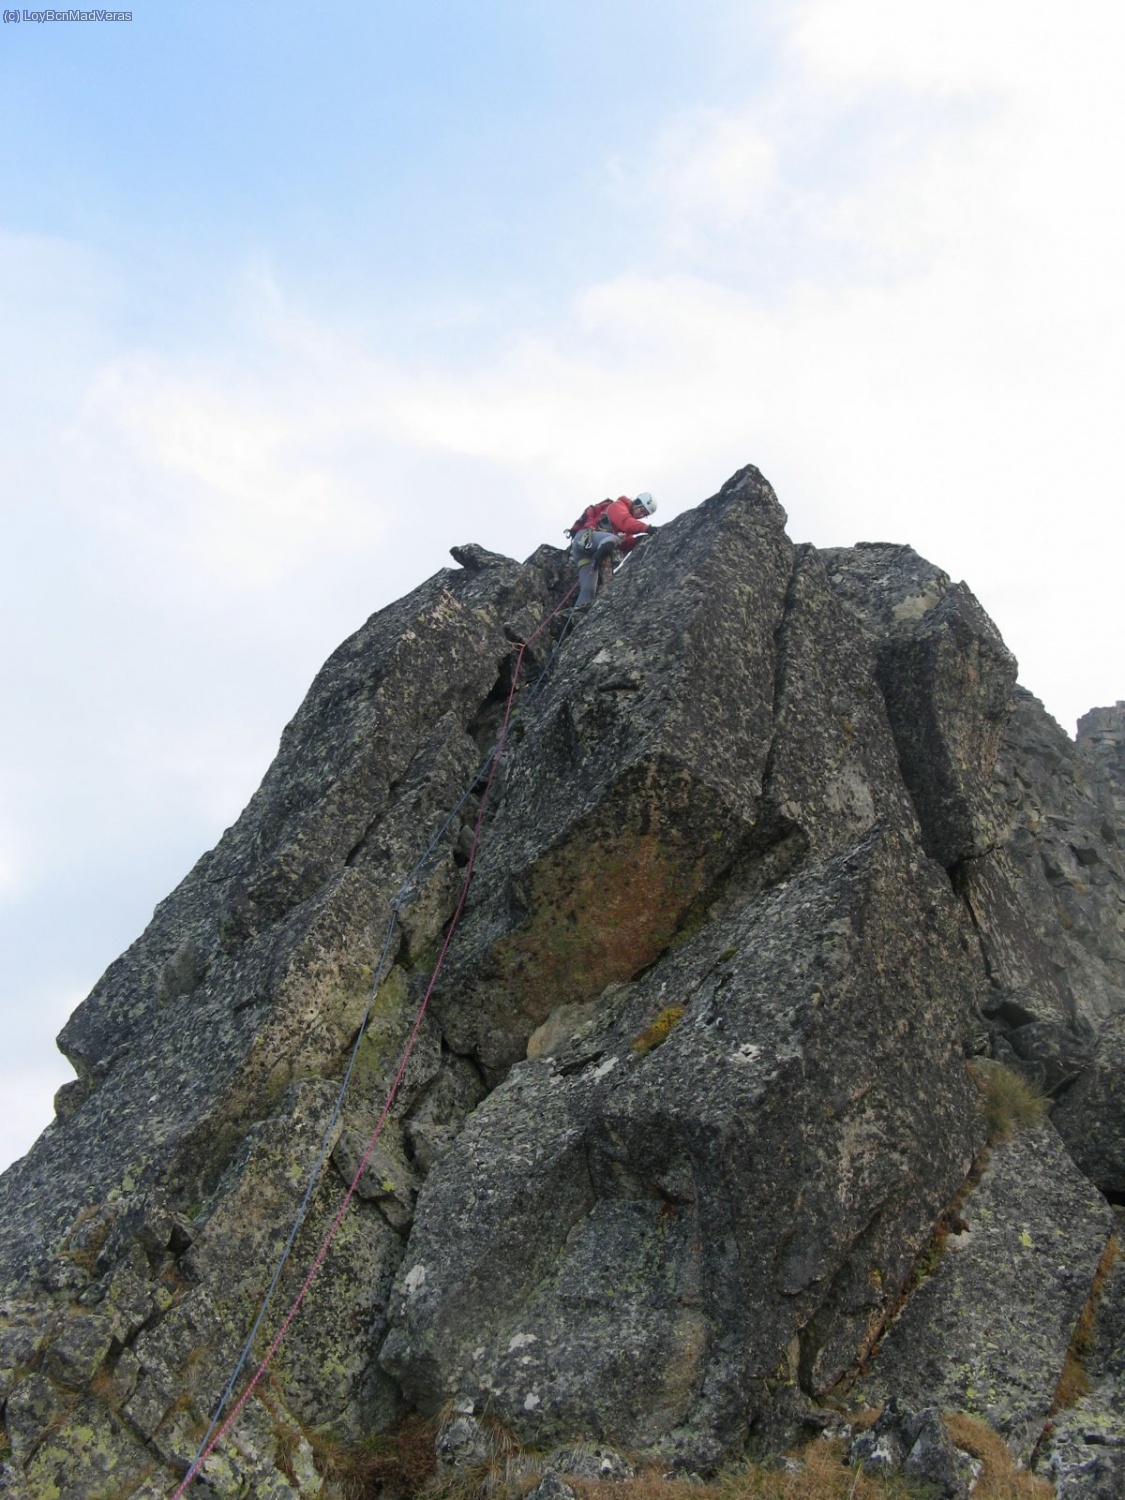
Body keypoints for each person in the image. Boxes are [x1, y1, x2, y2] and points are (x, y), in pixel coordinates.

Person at [570, 493, 657, 609]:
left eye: (644, 515)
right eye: (642, 510)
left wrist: (637, 541)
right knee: (612, 539)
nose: (641, 515)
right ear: (637, 502)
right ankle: (602, 549)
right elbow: (626, 523)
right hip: (584, 539)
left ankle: (576, 616)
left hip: (586, 555)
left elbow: (625, 544)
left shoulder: (625, 519)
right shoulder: (618, 506)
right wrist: (647, 528)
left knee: (589, 589)